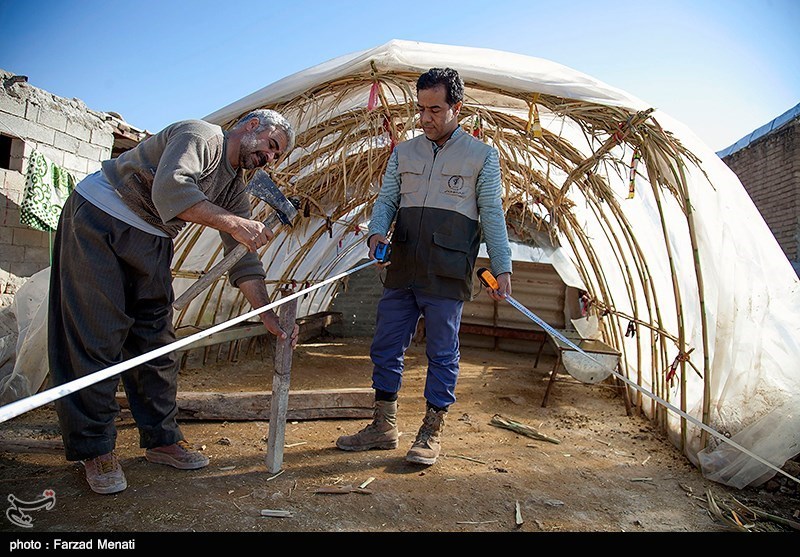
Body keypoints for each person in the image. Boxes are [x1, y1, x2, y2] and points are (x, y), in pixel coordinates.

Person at [48, 109, 300, 494]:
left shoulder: (233, 186)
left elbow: (244, 257)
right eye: (271, 147)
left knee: (156, 341)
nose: (269, 159)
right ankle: (95, 449)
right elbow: (172, 189)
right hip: (101, 218)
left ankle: (161, 438)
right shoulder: (200, 136)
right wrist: (234, 223)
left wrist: (266, 315)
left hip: (152, 237)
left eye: (276, 157)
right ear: (252, 126)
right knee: (95, 337)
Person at [336, 68, 513, 465]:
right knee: (385, 345)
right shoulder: (404, 152)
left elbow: (492, 215)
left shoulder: (482, 156)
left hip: (447, 271)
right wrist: (377, 232)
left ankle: (431, 430)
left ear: (457, 107)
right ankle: (383, 426)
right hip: (403, 266)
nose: (425, 118)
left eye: (435, 109)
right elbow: (386, 201)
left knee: (442, 353)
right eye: (421, 109)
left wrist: (502, 267)